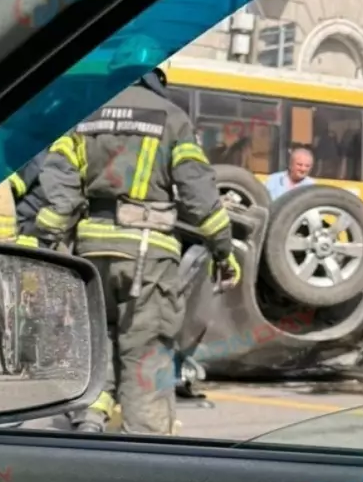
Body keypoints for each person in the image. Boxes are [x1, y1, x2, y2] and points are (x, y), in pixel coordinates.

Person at [34, 35, 241, 435]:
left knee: (99, 342)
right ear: (157, 76)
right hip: (149, 258)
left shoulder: (85, 118)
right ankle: (143, 446)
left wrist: (49, 239)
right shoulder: (173, 119)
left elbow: (58, 183)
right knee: (145, 352)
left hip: (91, 255)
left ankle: (89, 420)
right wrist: (223, 251)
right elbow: (200, 195)